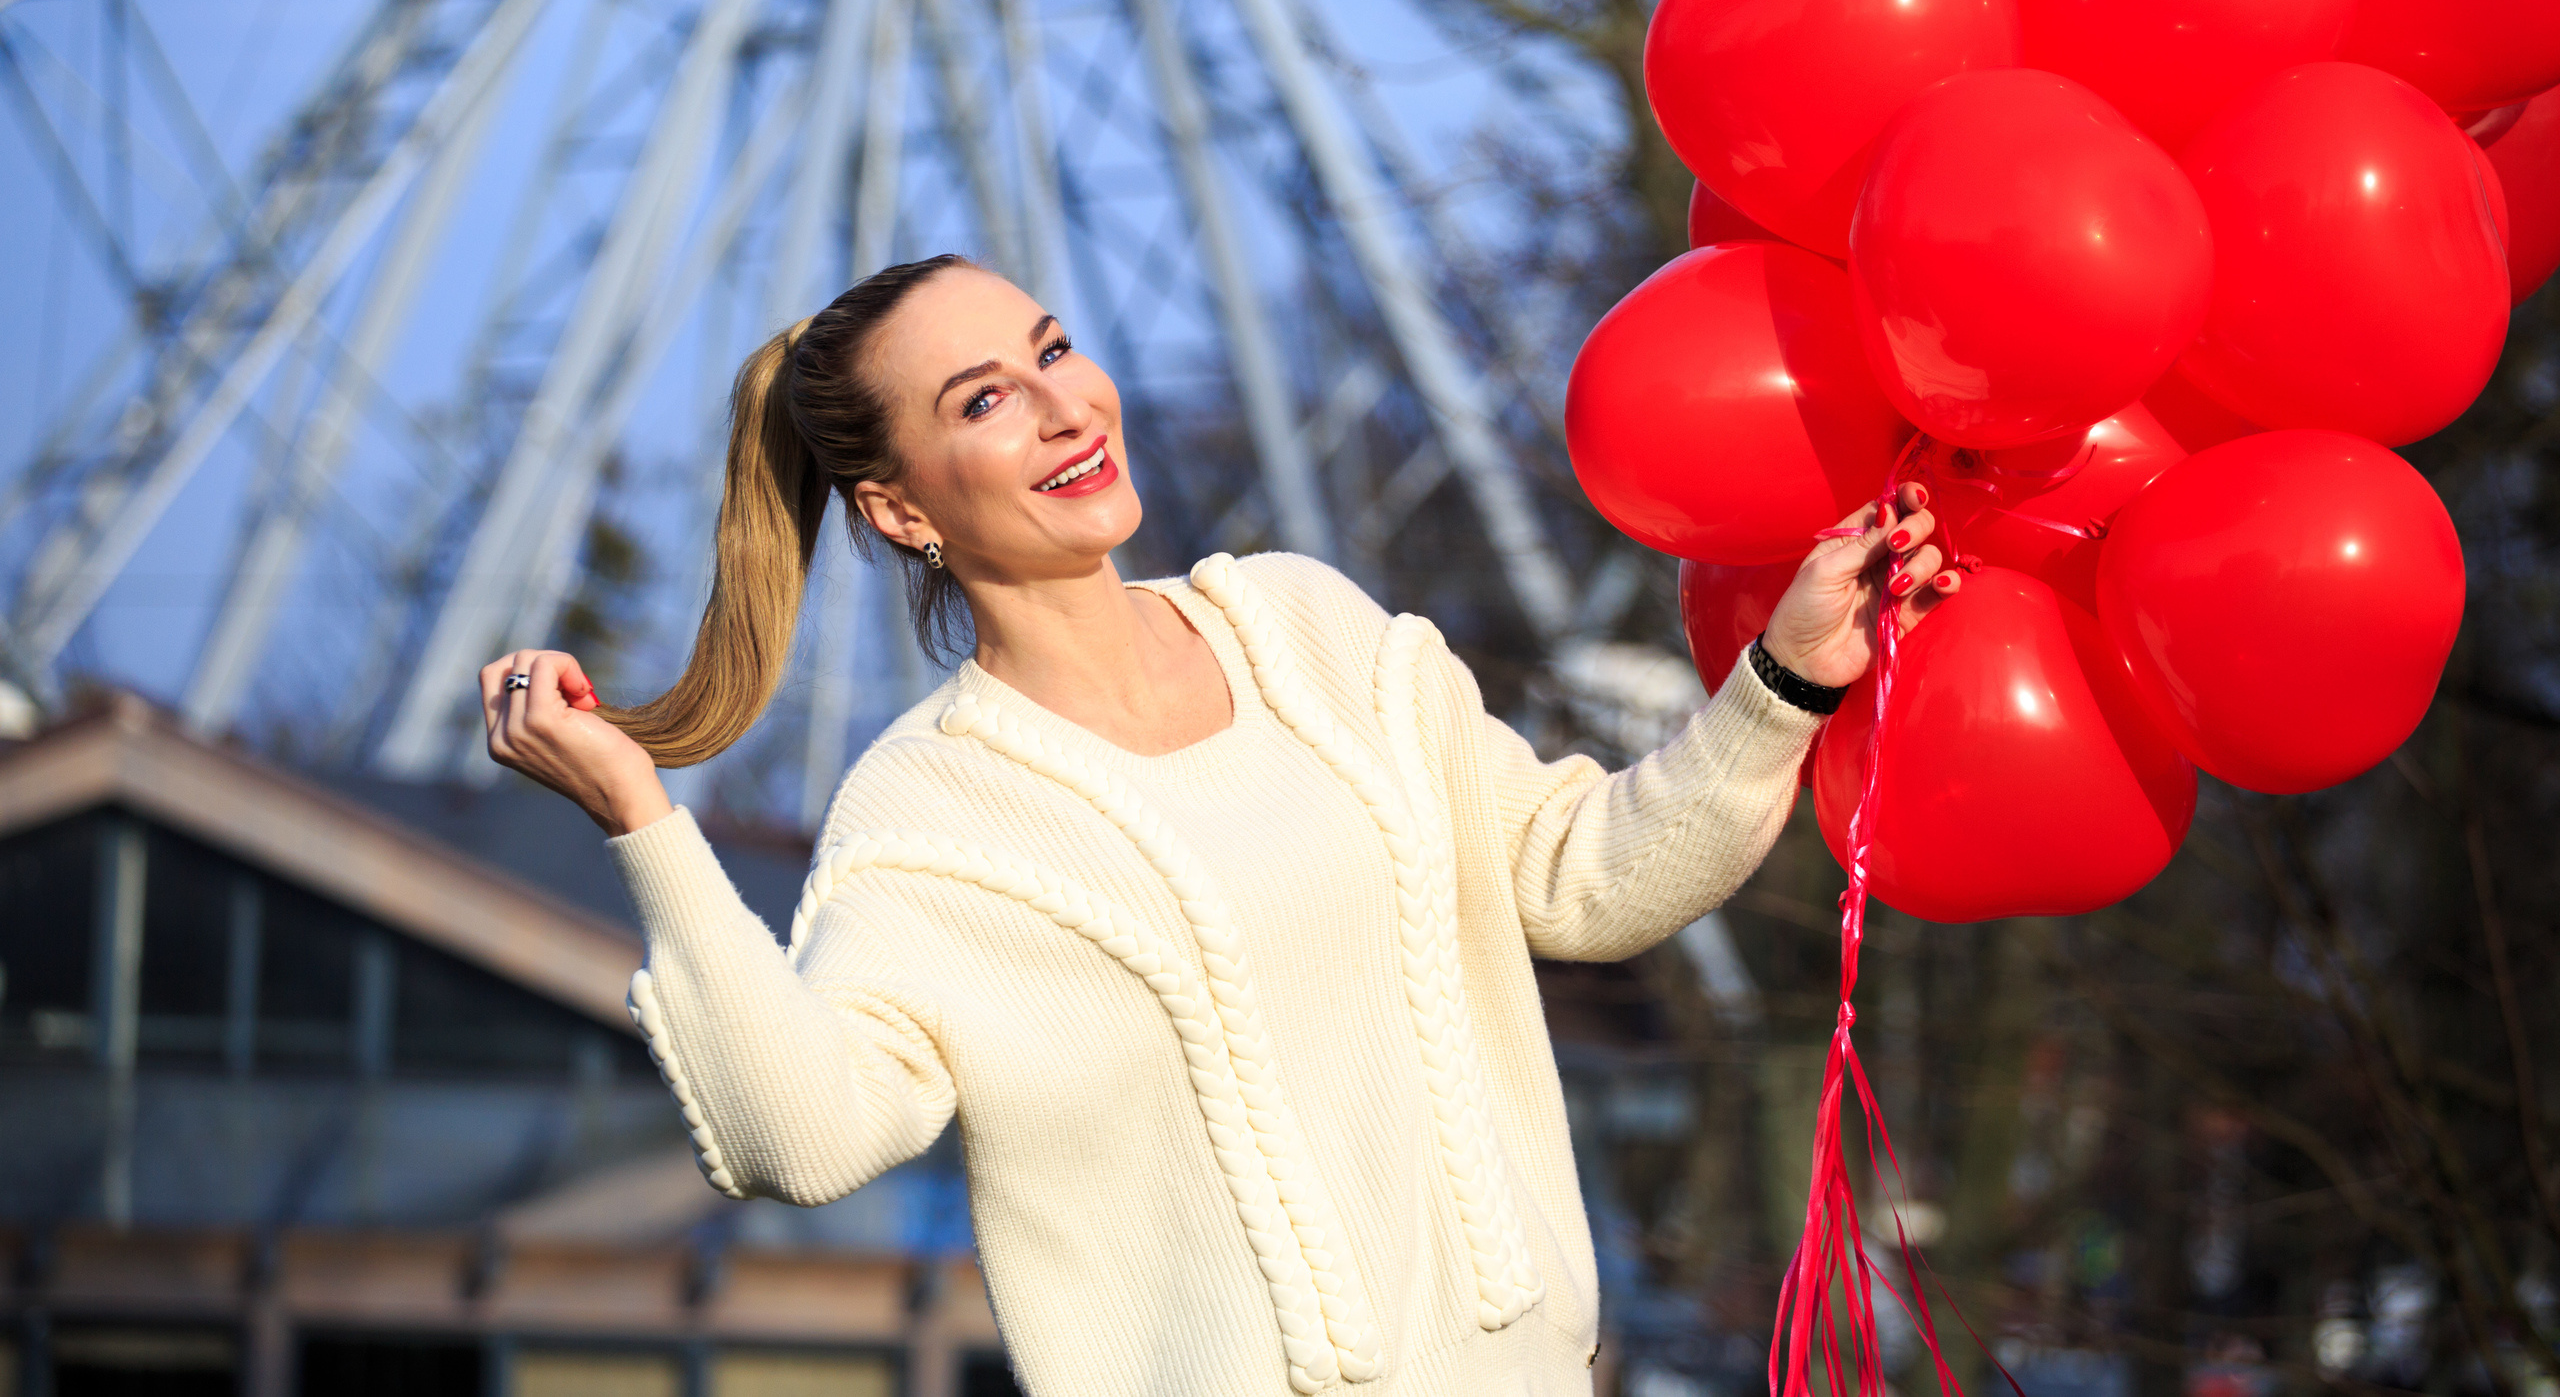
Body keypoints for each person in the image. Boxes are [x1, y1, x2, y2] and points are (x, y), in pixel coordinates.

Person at [480, 254, 1955, 1397]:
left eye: (1055, 349)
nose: (1065, 405)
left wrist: (1785, 679)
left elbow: (1577, 881)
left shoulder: (1309, 627)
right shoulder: (926, 819)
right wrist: (641, 818)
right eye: (984, 399)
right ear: (902, 512)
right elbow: (794, 1139)